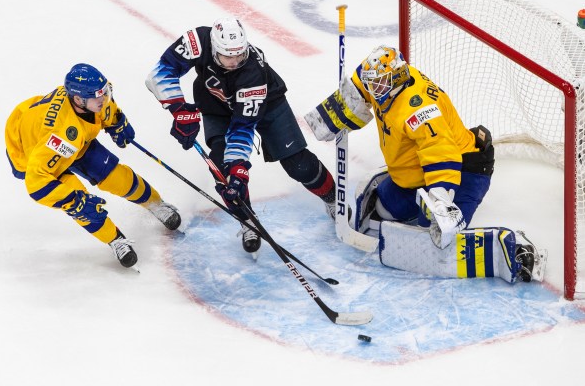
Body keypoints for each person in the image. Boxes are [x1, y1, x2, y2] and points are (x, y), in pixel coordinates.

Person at [305, 45, 545, 283]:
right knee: (384, 211)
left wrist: (440, 200)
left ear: (396, 77)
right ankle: (423, 201)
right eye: (372, 84)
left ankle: (515, 252)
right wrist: (332, 114)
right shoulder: (385, 80)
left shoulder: (419, 108)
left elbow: (440, 151)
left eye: (377, 85)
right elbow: (362, 81)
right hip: (416, 172)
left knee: (433, 238)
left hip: (464, 169)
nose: (372, 90)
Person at [145, 17, 337, 257]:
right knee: (222, 171)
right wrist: (180, 111)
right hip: (216, 102)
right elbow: (160, 73)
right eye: (228, 56)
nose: (235, 61)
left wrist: (239, 168)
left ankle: (332, 199)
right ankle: (247, 221)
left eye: (240, 55)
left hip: (268, 103)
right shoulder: (198, 40)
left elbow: (242, 127)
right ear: (215, 48)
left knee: (298, 164)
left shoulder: (252, 74)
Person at [5, 63, 181, 269]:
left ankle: (156, 204)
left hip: (69, 139)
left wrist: (116, 120)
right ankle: (115, 240)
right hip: (33, 152)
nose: (104, 99)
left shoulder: (91, 100)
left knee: (116, 177)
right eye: (99, 96)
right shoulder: (61, 135)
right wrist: (73, 200)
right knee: (83, 207)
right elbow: (36, 183)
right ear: (78, 100)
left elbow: (105, 105)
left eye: (104, 93)